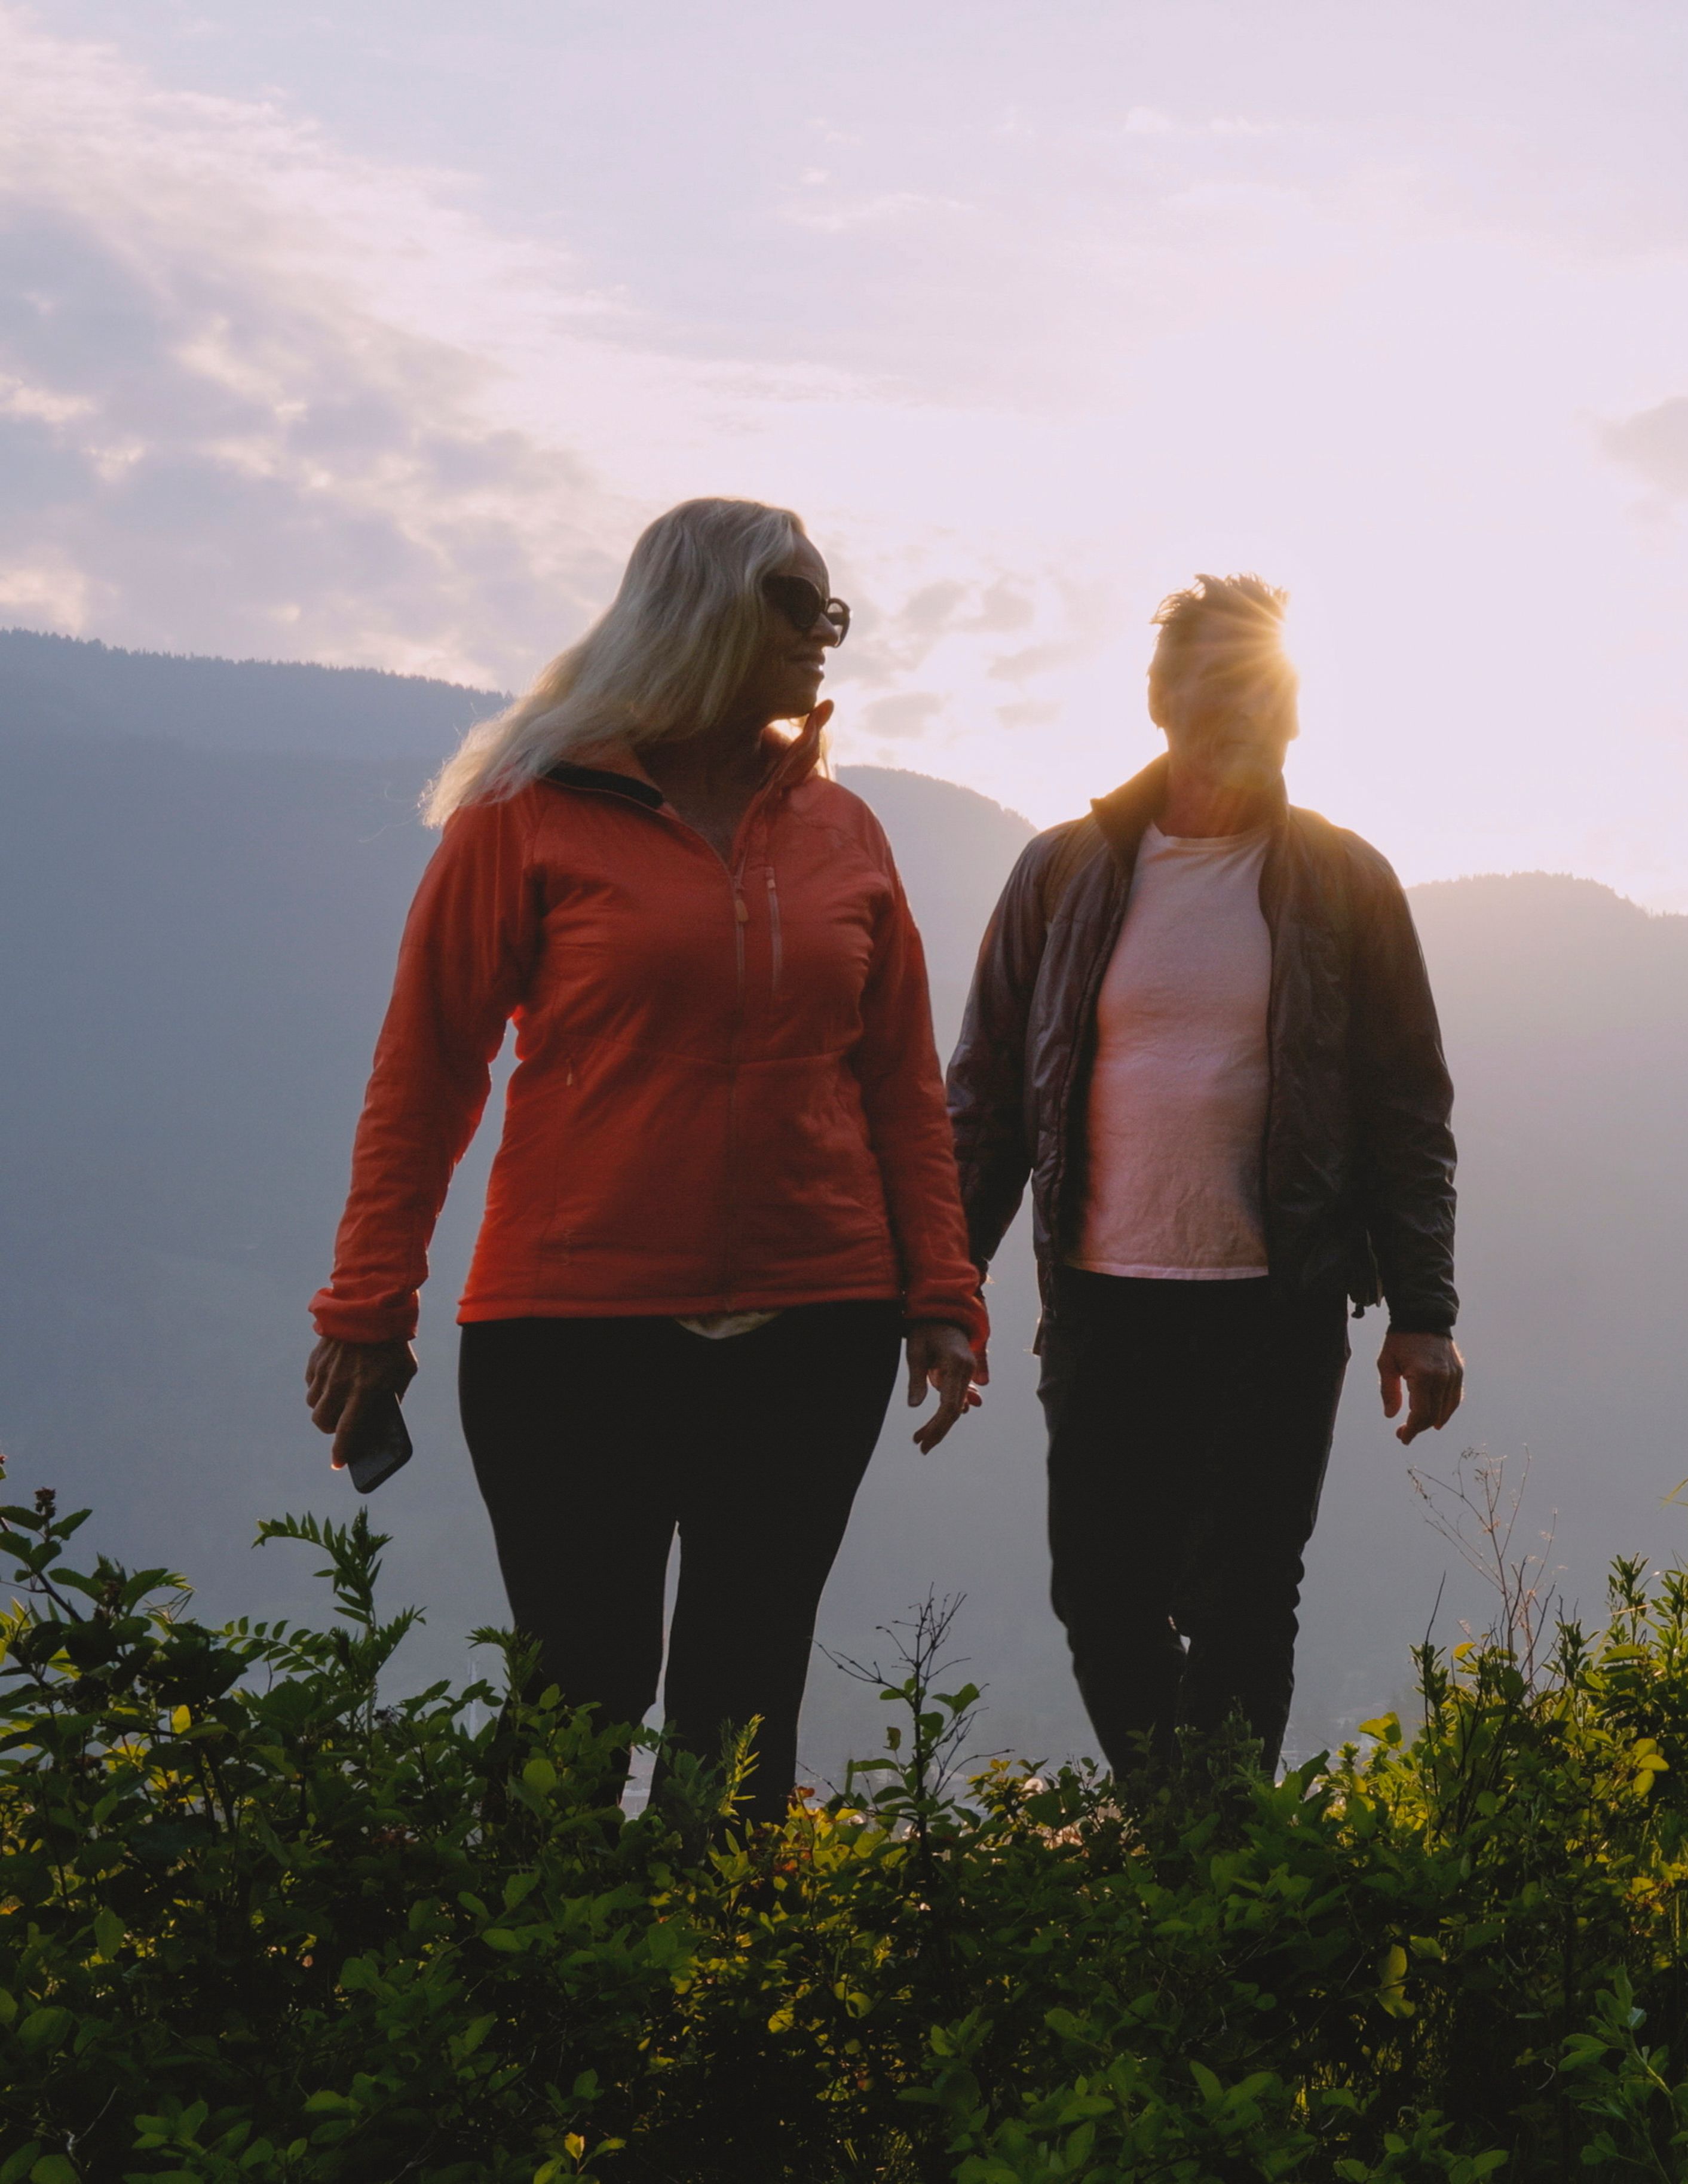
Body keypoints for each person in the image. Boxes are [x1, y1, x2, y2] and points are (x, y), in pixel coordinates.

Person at [304, 496, 988, 1814]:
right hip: (571, 1325)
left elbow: (902, 1086)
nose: (828, 634)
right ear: (707, 611)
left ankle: (716, 2003)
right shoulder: (525, 817)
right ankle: (546, 2007)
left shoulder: (846, 835)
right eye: (801, 602)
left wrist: (943, 1294)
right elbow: (428, 1070)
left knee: (743, 1695)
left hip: (817, 1320)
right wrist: (367, 1302)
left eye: (834, 609)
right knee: (580, 1683)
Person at [946, 573, 1460, 1787]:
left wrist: (1424, 1311)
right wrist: (942, 1282)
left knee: (1242, 1597)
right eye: (1216, 683)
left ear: (1295, 709)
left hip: (1274, 1304)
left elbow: (1405, 1105)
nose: (1242, 711)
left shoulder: (1346, 882)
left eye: (1265, 686)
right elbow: (985, 1098)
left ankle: (1209, 1871)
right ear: (1159, 699)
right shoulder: (1061, 874)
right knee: (1099, 1592)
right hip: (1100, 1298)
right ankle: (1176, 1832)